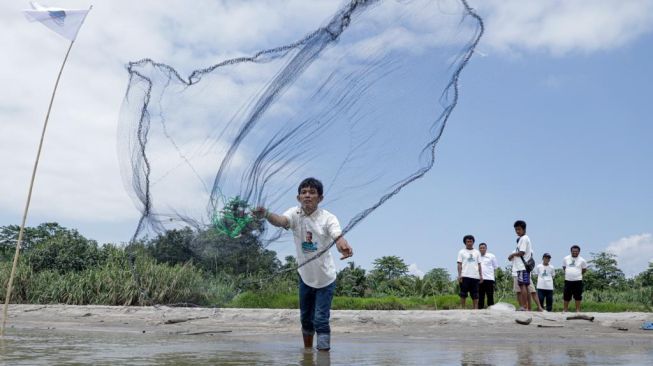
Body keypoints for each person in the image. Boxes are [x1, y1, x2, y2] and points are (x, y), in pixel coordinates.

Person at [255, 177, 353, 351]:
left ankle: (323, 356)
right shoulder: (294, 214)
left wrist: (342, 244)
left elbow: (337, 235)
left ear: (320, 198)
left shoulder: (328, 218)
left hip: (325, 279)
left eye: (312, 192)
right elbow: (281, 221)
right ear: (298, 197)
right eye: (304, 192)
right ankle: (308, 354)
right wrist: (266, 214)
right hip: (305, 277)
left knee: (321, 319)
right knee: (306, 319)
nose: (307, 195)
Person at [508, 220, 532, 311]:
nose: (517, 231)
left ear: (524, 229)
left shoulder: (524, 238)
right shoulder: (523, 238)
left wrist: (512, 255)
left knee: (523, 286)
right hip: (522, 267)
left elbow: (522, 252)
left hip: (522, 267)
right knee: (524, 286)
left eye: (519, 229)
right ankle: (525, 306)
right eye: (516, 230)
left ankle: (524, 306)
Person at [457, 235, 483, 309]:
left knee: (475, 294)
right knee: (463, 293)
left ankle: (475, 309)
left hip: (475, 276)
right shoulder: (461, 252)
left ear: (473, 242)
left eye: (471, 241)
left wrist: (481, 276)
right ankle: (463, 308)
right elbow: (459, 264)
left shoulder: (477, 252)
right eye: (467, 241)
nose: (469, 243)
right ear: (465, 242)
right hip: (464, 275)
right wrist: (459, 275)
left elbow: (479, 265)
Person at [562, 245, 588, 313]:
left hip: (578, 280)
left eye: (576, 251)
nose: (575, 252)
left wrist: (577, 274)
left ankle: (577, 310)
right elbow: (564, 267)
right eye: (573, 251)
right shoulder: (566, 258)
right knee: (566, 295)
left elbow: (584, 269)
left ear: (579, 252)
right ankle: (565, 309)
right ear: (571, 251)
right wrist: (569, 273)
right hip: (568, 280)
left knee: (578, 295)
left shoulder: (582, 260)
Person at [478, 243, 499, 309]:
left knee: (490, 295)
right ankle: (480, 309)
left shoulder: (491, 256)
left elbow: (495, 267)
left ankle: (491, 309)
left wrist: (494, 277)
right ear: (479, 249)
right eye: (480, 248)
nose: (482, 249)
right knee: (480, 295)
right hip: (480, 279)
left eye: (483, 248)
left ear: (486, 248)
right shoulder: (477, 256)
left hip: (489, 279)